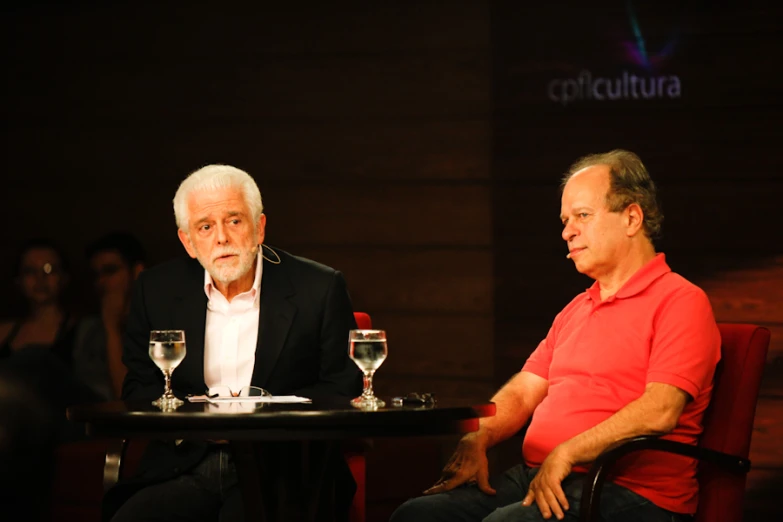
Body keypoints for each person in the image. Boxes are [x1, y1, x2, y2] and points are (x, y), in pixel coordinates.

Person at [391, 150, 721, 522]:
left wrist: (567, 452)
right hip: (544, 476)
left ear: (631, 217)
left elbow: (659, 411)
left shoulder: (680, 301)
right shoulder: (575, 309)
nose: (567, 232)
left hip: (629, 492)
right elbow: (523, 391)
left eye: (582, 216)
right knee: (417, 516)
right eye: (565, 221)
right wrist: (479, 437)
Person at [104, 164, 363, 522]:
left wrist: (267, 424)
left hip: (285, 470)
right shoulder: (156, 290)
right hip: (186, 463)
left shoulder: (318, 288)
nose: (222, 238)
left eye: (235, 221)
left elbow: (342, 385)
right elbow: (140, 385)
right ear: (188, 242)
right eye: (205, 227)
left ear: (259, 228)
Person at [72, 232, 147, 401]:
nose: (101, 282)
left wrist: (111, 327)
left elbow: (126, 400)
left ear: (137, 272)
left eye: (110, 271)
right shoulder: (87, 328)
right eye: (96, 274)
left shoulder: (154, 325)